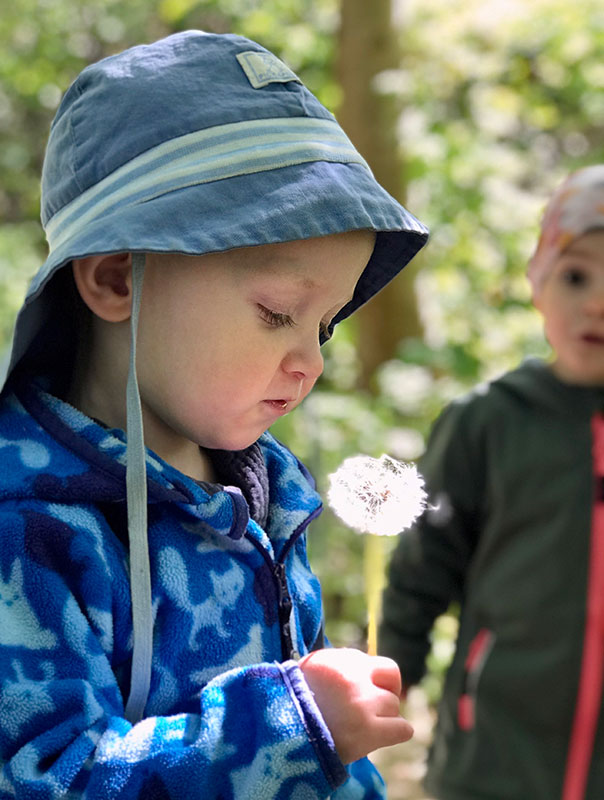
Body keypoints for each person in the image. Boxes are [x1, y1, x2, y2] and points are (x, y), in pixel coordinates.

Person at [0, 30, 430, 800]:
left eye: (325, 324)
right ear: (115, 279)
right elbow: (44, 779)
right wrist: (293, 727)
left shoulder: (269, 490)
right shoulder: (31, 528)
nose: (314, 361)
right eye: (276, 313)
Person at [379, 164, 604, 800]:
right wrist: (394, 679)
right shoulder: (489, 421)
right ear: (538, 284)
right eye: (577, 274)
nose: (597, 301)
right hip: (495, 759)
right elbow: (423, 565)